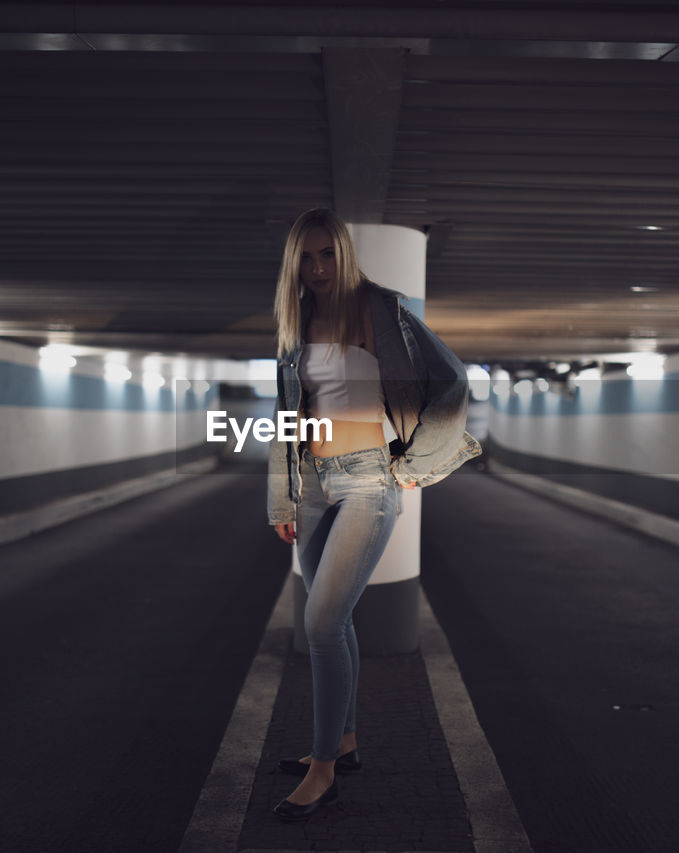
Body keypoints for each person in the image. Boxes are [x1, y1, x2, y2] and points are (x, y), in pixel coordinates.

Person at [266, 208, 482, 821]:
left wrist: (410, 465)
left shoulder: (380, 309)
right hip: (312, 483)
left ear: (343, 254)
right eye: (305, 258)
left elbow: (452, 380)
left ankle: (324, 769)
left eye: (326, 254)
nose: (316, 268)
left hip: (367, 479)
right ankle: (347, 742)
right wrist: (282, 496)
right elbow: (285, 417)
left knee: (320, 623)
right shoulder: (293, 322)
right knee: (336, 619)